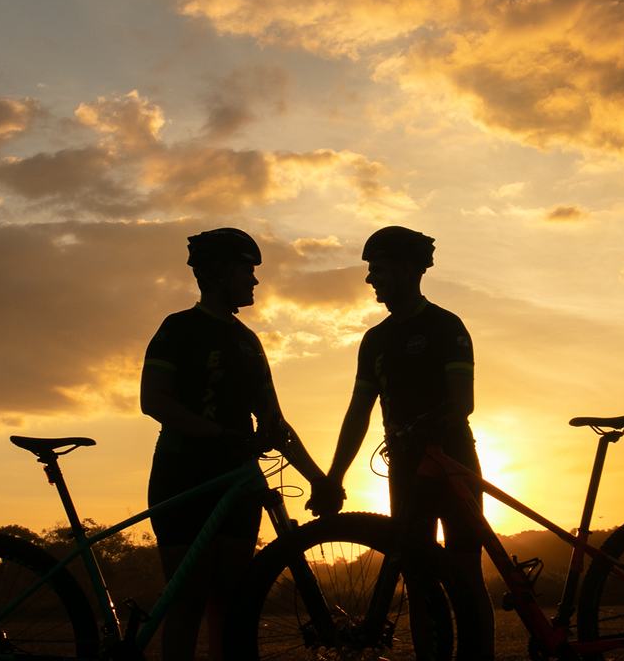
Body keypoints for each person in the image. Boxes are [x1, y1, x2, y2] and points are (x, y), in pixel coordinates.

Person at [307, 226, 495, 659]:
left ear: (410, 270)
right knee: (416, 578)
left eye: (380, 269)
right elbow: (358, 413)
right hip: (406, 470)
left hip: (453, 461)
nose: (371, 278)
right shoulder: (375, 340)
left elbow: (461, 402)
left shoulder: (446, 326)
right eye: (371, 270)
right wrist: (333, 476)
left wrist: (429, 426)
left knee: (467, 572)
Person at [141, 227, 324, 661]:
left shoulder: (248, 341)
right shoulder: (179, 327)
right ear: (219, 274)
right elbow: (154, 400)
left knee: (232, 603)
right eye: (247, 271)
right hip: (183, 474)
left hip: (238, 481)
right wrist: (219, 434)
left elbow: (275, 423)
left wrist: (320, 479)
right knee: (187, 601)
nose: (255, 281)